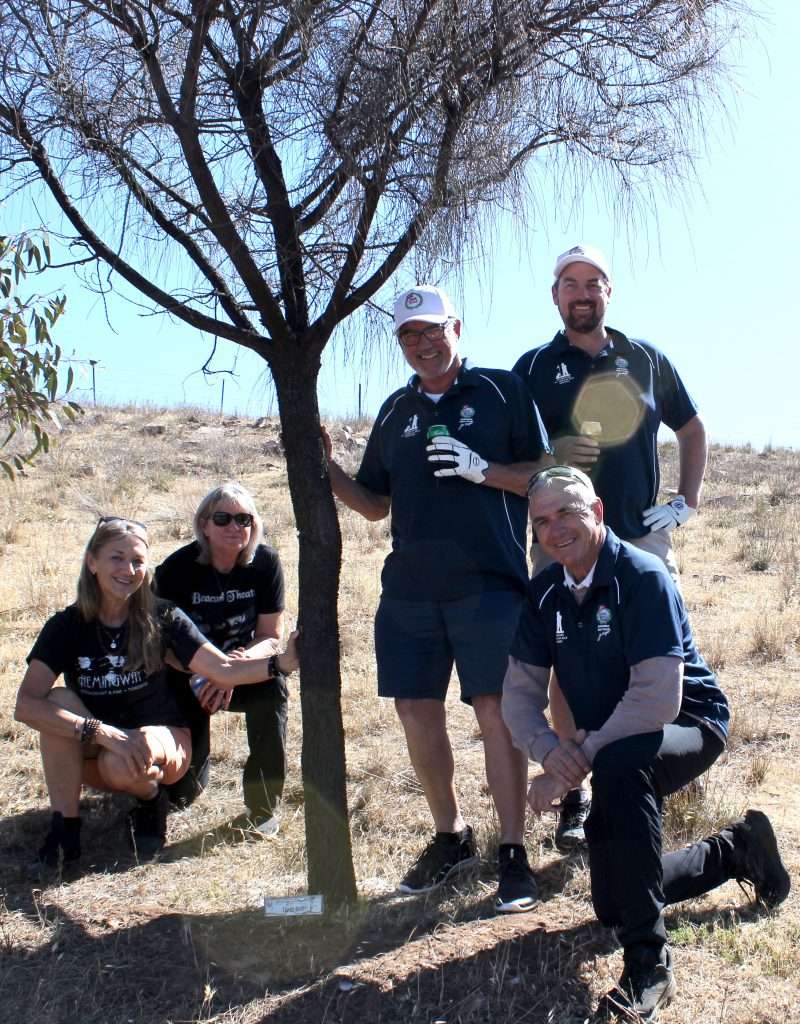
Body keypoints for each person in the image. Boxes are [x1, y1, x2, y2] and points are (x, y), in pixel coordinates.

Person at [502, 467, 790, 1020]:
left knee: (620, 767)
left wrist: (576, 761)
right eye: (541, 521)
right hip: (613, 743)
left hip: (690, 723)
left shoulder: (643, 575)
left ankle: (648, 968)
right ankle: (739, 850)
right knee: (614, 903)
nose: (555, 528)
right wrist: (547, 748)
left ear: (599, 512)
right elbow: (518, 692)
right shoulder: (545, 593)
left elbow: (657, 699)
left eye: (568, 512)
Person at [323, 284, 552, 913]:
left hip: (488, 586)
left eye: (432, 330)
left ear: (457, 326)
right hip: (410, 594)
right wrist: (327, 468)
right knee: (415, 715)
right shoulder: (395, 411)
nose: (423, 344)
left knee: (497, 715)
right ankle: (449, 836)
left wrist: (484, 470)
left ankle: (512, 852)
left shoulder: (502, 390)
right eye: (409, 336)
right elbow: (374, 504)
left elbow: (544, 475)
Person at [512, 243, 708, 850]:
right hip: (565, 539)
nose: (582, 292)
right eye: (571, 283)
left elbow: (693, 429)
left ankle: (655, 782)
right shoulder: (535, 366)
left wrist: (686, 500)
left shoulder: (645, 358)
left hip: (640, 536)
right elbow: (516, 458)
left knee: (652, 660)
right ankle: (575, 797)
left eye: (594, 282)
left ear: (609, 293)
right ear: (555, 297)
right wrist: (551, 460)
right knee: (568, 673)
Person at [15, 517, 298, 868]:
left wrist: (282, 663)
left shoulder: (163, 617)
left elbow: (223, 669)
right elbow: (25, 705)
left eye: (137, 561)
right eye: (117, 558)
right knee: (56, 702)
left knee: (128, 755)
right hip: (96, 747)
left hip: (158, 743)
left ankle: (151, 800)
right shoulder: (66, 625)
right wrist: (102, 732)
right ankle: (64, 828)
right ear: (92, 562)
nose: (128, 569)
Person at [154, 483, 291, 837]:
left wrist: (235, 668)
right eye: (223, 518)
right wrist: (211, 674)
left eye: (244, 519)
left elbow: (270, 636)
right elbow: (162, 648)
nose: (235, 527)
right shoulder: (175, 569)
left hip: (240, 669)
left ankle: (263, 807)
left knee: (273, 685)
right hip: (186, 675)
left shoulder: (265, 563)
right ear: (204, 525)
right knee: (183, 795)